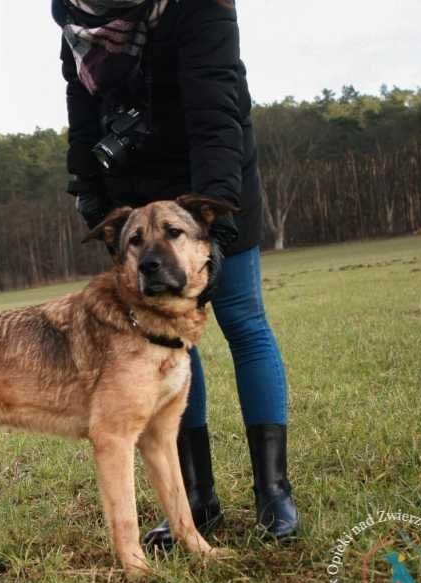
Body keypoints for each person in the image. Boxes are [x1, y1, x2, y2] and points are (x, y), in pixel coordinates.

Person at [52, 0, 299, 542]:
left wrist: (218, 229)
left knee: (242, 319)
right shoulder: (77, 24)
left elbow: (217, 117)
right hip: (137, 195)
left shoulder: (200, 8)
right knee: (167, 338)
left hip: (213, 187)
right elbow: (81, 119)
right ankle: (195, 501)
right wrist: (92, 198)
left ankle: (273, 493)